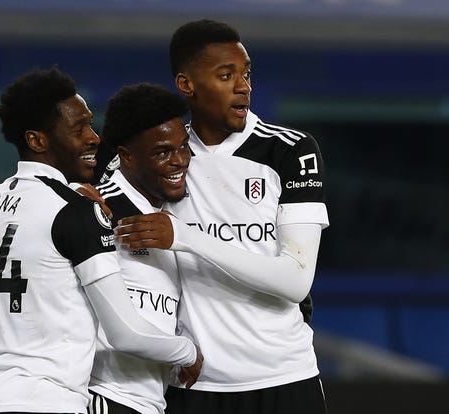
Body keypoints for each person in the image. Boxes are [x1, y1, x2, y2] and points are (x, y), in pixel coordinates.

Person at [0, 67, 201, 414]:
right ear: (37, 140)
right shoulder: (76, 210)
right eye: (79, 129)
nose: (95, 138)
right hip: (46, 401)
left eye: (90, 124)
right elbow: (125, 332)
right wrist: (187, 352)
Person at [113, 19, 329, 413]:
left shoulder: (290, 152)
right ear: (187, 85)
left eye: (246, 74)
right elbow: (99, 204)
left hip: (285, 378)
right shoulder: (164, 156)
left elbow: (296, 280)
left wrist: (186, 237)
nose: (243, 86)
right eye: (225, 75)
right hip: (195, 385)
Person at [88, 83, 199, 414]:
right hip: (103, 394)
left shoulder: (176, 213)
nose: (179, 161)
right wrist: (187, 352)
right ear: (127, 156)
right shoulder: (95, 209)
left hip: (152, 400)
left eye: (184, 147)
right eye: (163, 152)